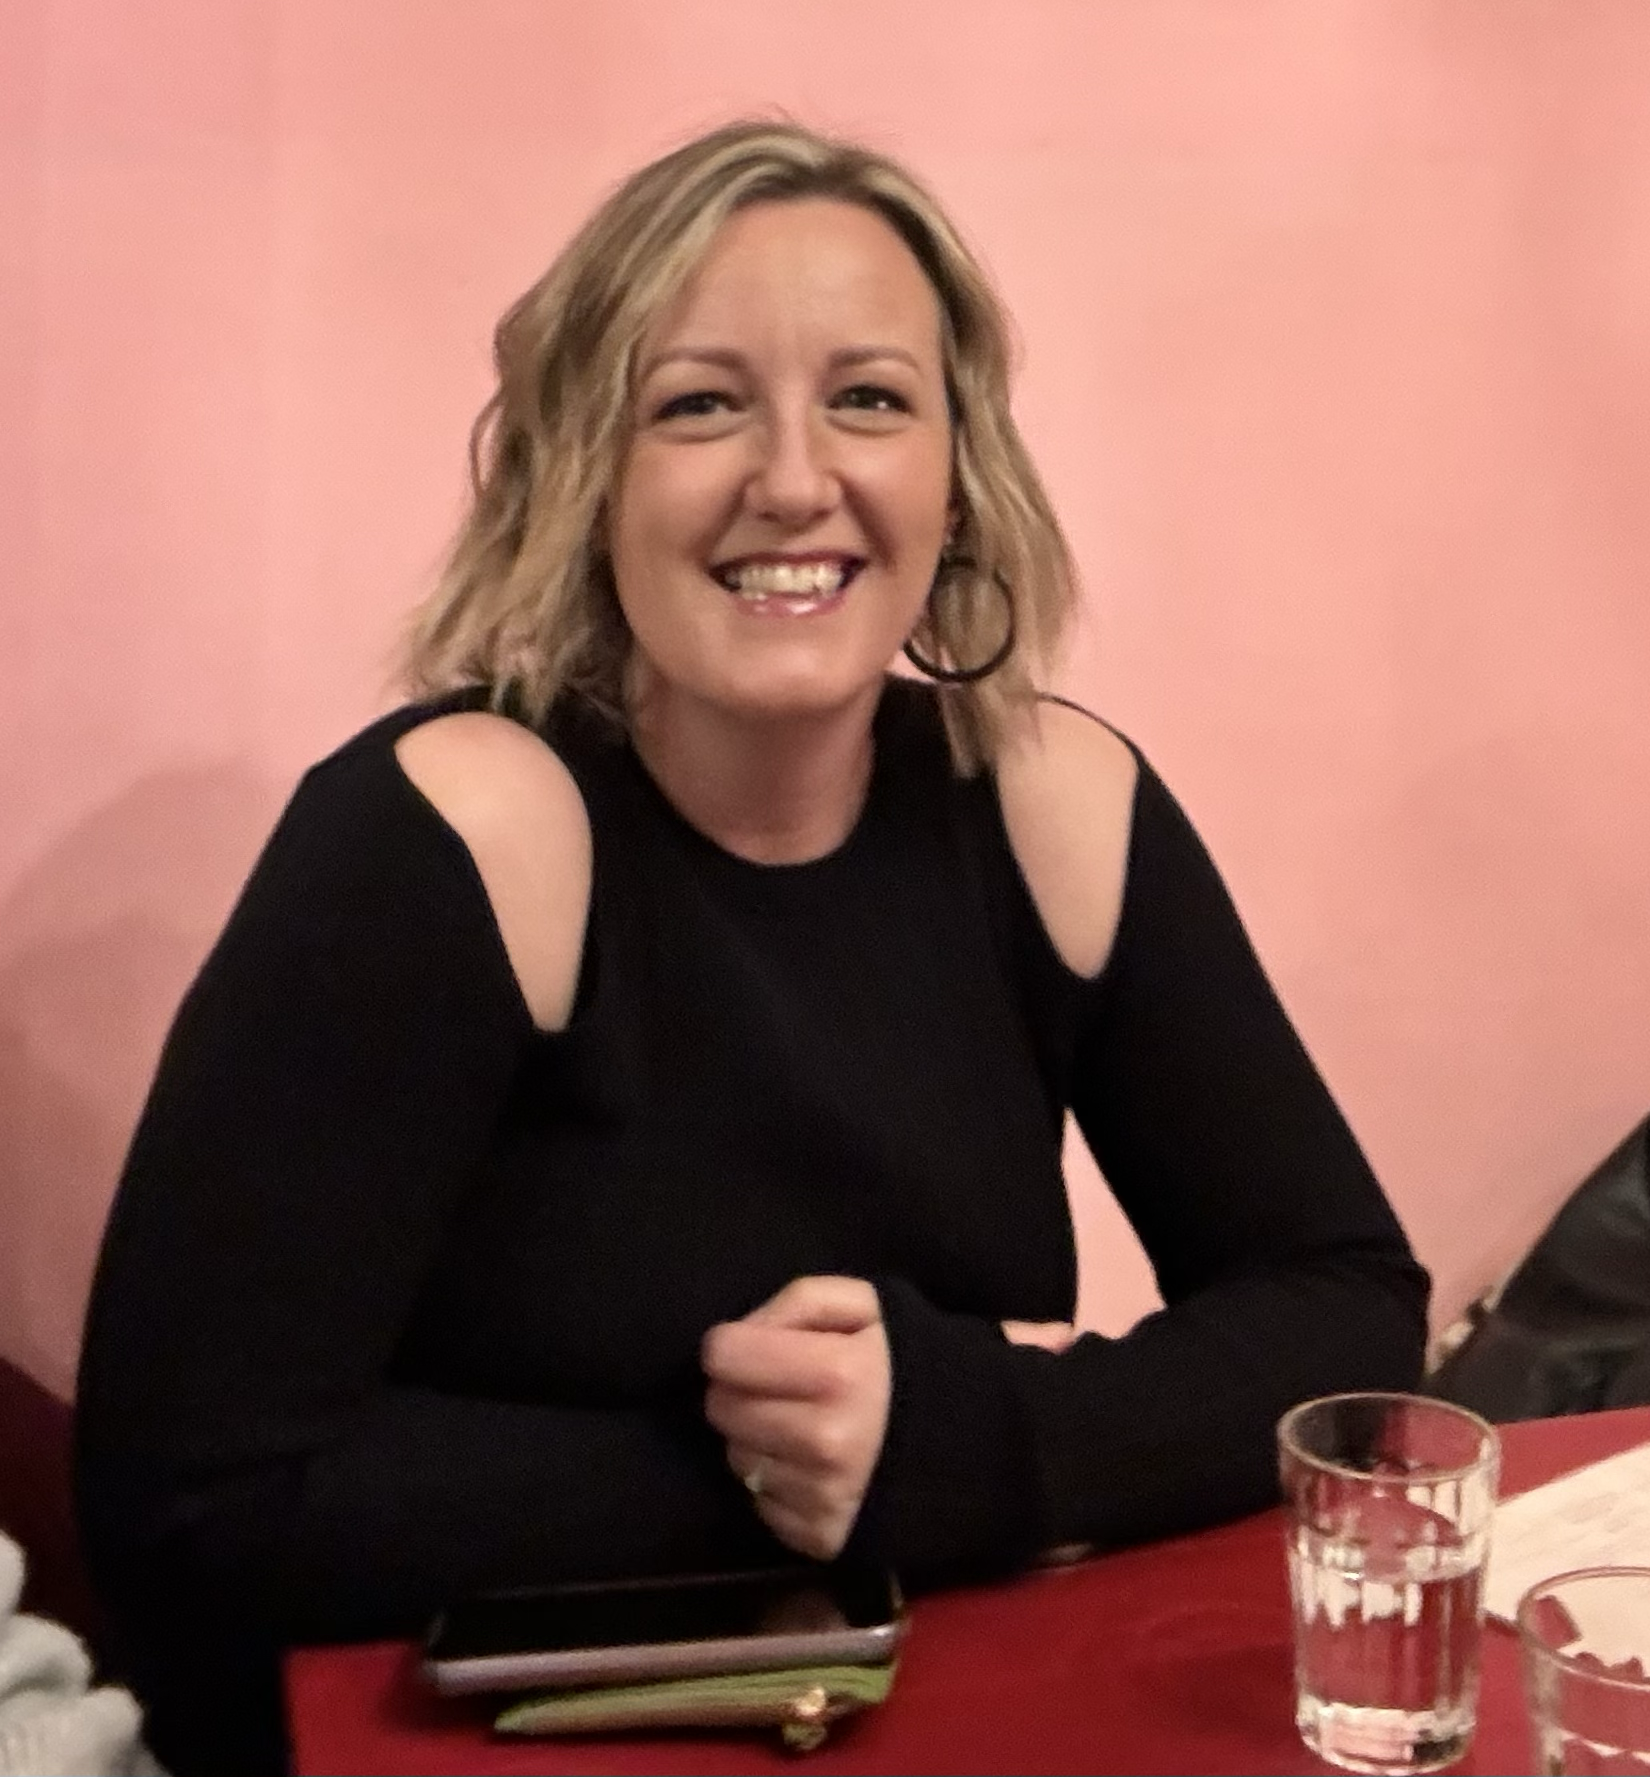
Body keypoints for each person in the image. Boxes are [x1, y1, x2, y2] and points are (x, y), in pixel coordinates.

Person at [74, 120, 1429, 1774]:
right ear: (581, 471)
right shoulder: (455, 828)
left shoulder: (1049, 801)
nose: (795, 479)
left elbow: (1350, 1316)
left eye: (868, 396)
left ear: (958, 468)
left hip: (927, 1721)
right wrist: (788, 1486)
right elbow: (189, 1500)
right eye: (698, 402)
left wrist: (962, 1441)